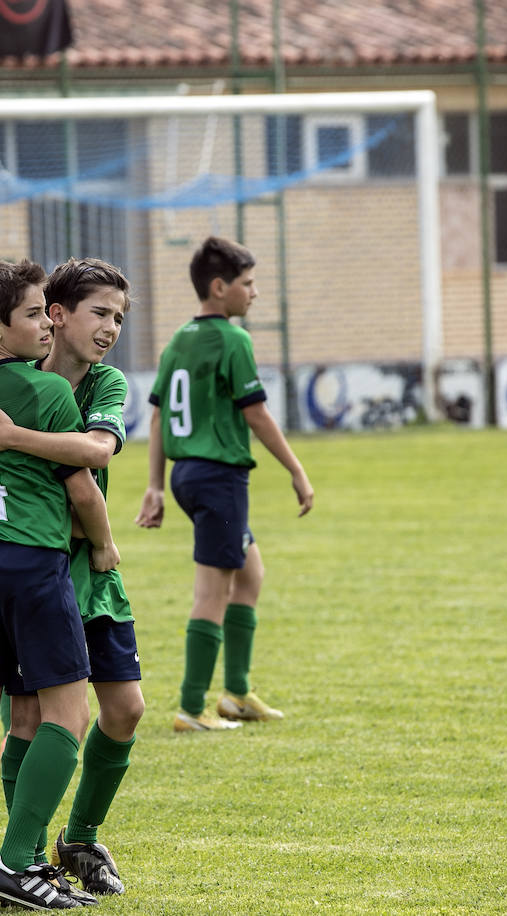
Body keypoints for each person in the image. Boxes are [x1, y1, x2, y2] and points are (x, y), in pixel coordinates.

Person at [0, 259, 120, 912]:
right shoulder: (50, 394)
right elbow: (84, 488)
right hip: (30, 563)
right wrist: (103, 547)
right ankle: (15, 864)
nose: (46, 323)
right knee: (70, 712)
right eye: (33, 314)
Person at [135, 236, 315, 733]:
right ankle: (191, 709)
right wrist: (297, 470)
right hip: (218, 478)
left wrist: (155, 485)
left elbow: (155, 419)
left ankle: (236, 693)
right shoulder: (233, 341)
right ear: (219, 288)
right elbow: (255, 413)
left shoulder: (178, 340)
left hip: (186, 476)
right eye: (248, 283)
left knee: (250, 575)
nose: (254, 293)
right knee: (212, 592)